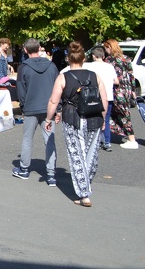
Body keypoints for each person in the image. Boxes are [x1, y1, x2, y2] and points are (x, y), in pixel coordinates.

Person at [45, 41, 108, 207]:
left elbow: (53, 101)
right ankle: (86, 185)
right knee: (91, 154)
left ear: (68, 59)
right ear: (83, 58)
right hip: (94, 117)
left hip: (73, 118)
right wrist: (103, 117)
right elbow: (103, 99)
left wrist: (49, 118)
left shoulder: (63, 77)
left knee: (76, 154)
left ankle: (84, 193)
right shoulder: (94, 76)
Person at [12, 38, 59, 185]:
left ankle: (24, 169)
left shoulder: (23, 67)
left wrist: (24, 106)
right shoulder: (51, 66)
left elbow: (21, 90)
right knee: (49, 140)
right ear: (39, 48)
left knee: (27, 139)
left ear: (25, 50)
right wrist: (58, 108)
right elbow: (58, 88)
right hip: (48, 107)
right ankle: (51, 174)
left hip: (31, 107)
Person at [104, 39, 139, 149]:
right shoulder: (126, 58)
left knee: (122, 115)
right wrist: (133, 90)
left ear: (110, 47)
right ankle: (127, 135)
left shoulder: (109, 60)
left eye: (106, 48)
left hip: (116, 90)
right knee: (123, 113)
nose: (106, 50)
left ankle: (131, 139)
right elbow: (131, 76)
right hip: (127, 89)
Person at [81, 46, 118, 151]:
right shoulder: (109, 67)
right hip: (108, 96)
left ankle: (94, 141)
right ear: (103, 56)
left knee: (92, 118)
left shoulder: (90, 66)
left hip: (94, 96)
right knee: (106, 119)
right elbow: (116, 81)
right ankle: (107, 142)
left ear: (93, 56)